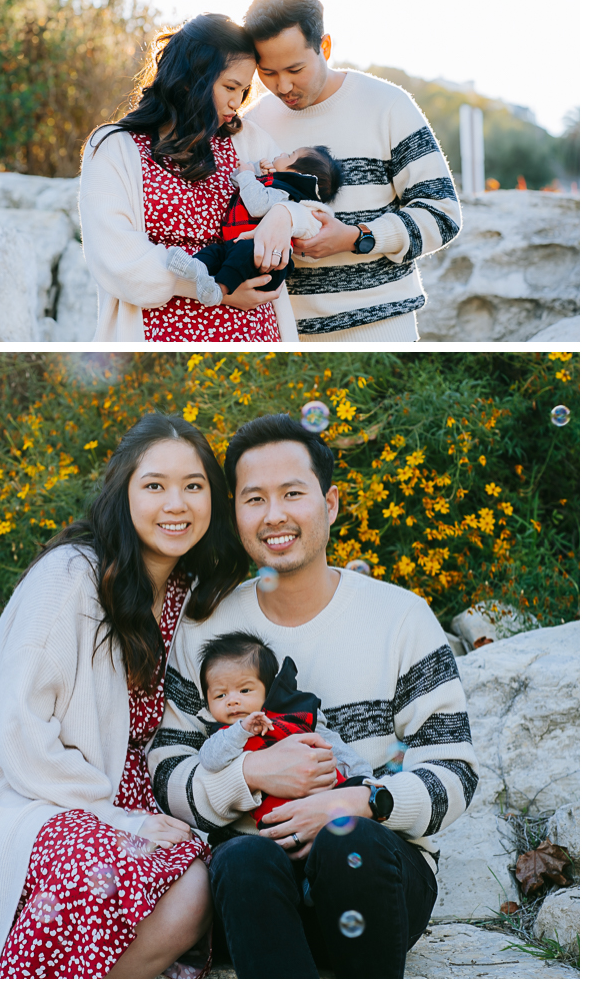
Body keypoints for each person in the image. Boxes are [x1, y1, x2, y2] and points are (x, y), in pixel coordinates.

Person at [0, 413, 251, 979]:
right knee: (93, 864)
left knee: (199, 885)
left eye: (194, 486)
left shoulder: (192, 594)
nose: (177, 504)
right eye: (154, 486)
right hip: (33, 794)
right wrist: (116, 815)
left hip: (141, 804)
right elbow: (18, 730)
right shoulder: (72, 577)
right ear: (123, 493)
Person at [148, 414, 479, 979]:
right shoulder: (203, 625)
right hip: (252, 888)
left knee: (351, 843)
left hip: (375, 877)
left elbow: (454, 769)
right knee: (244, 857)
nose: (274, 515)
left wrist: (362, 802)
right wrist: (250, 774)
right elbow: (165, 767)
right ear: (236, 513)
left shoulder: (399, 617)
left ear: (329, 503)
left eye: (292, 494)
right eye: (254, 499)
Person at [242, 0, 463, 343]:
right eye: (267, 73)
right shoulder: (251, 124)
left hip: (382, 331)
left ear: (324, 47)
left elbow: (443, 213)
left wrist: (357, 237)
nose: (283, 86)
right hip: (285, 335)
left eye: (295, 68)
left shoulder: (388, 105)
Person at [79, 12, 316, 343]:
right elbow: (116, 258)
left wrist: (284, 215)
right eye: (230, 87)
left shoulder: (247, 141)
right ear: (191, 77)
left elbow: (314, 212)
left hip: (258, 337)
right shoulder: (114, 147)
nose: (237, 102)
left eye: (245, 90)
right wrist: (214, 289)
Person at [197, 632, 371, 832]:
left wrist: (362, 778)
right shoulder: (224, 737)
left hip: (331, 798)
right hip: (280, 818)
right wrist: (240, 730)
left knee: (355, 809)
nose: (232, 701)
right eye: (220, 695)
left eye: (245, 691)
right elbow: (209, 760)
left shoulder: (296, 713)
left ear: (267, 690)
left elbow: (332, 746)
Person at [166, 145, 343, 299]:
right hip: (235, 247)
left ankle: (219, 289)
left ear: (298, 175)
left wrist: (248, 175)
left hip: (264, 260)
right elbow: (238, 182)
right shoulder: (271, 184)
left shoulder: (286, 194)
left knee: (242, 253)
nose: (281, 154)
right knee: (215, 252)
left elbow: (257, 207)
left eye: (289, 156)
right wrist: (255, 171)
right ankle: (194, 267)